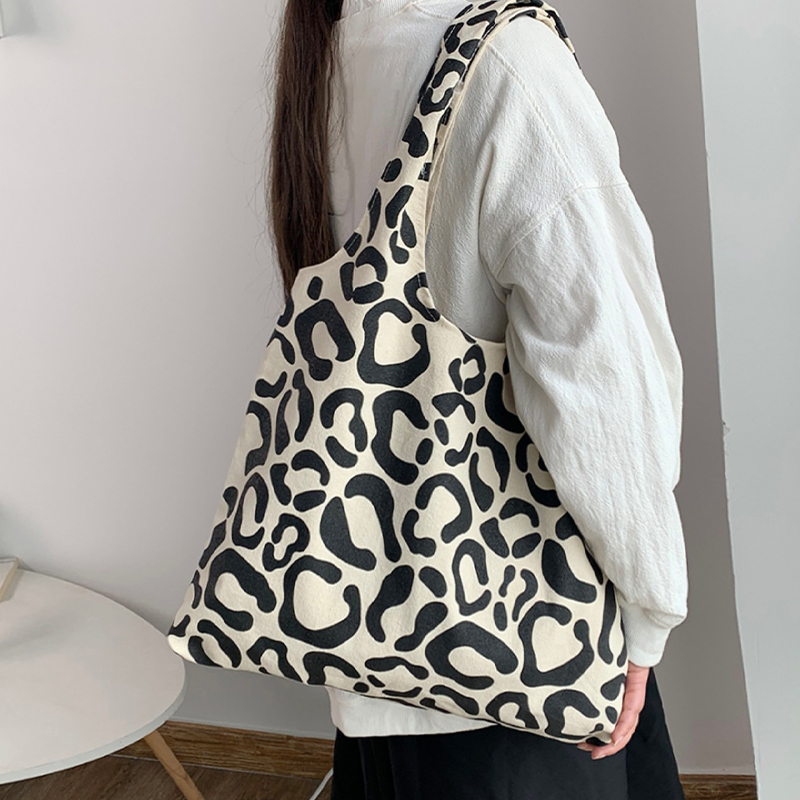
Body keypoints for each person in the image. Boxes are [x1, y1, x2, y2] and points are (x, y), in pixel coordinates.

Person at [266, 0, 689, 797]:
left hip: (377, 661)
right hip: (523, 652)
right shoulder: (509, 65)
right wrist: (650, 608)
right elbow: (602, 386)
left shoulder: (337, 47)